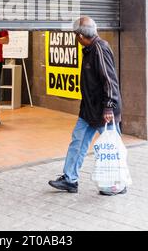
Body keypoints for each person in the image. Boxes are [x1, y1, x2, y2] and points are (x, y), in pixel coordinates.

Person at [48, 16, 125, 196]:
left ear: (81, 36)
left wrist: (108, 107)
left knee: (112, 147)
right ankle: (70, 179)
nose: (76, 38)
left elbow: (109, 81)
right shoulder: (90, 49)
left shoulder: (100, 49)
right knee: (78, 142)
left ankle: (118, 182)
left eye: (76, 35)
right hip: (89, 109)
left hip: (104, 110)